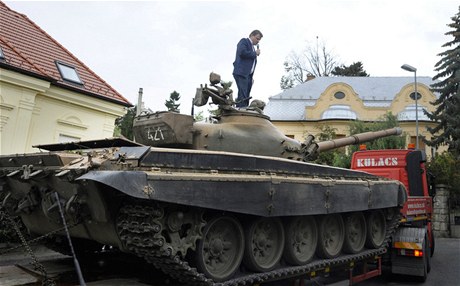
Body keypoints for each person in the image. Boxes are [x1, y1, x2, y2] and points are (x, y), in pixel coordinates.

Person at [232, 29, 263, 108]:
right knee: (243, 94)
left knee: (246, 94)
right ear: (252, 35)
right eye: (257, 38)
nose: (258, 41)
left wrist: (251, 76)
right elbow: (242, 52)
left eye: (259, 40)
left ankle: (242, 109)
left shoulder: (252, 47)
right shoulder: (244, 41)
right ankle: (242, 111)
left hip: (248, 75)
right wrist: (255, 53)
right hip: (241, 72)